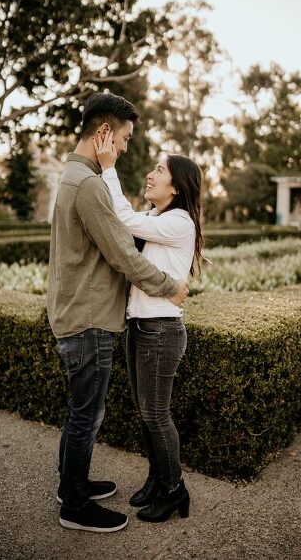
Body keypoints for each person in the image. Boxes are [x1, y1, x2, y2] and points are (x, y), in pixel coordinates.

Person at [46, 92, 189, 533]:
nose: (126, 148)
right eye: (125, 138)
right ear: (105, 132)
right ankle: (74, 504)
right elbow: (123, 252)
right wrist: (170, 287)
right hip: (88, 319)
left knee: (81, 410)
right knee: (86, 415)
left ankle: (73, 485)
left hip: (80, 313)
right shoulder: (89, 184)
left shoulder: (74, 176)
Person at [95, 132, 203, 523]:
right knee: (146, 414)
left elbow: (124, 218)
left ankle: (175, 491)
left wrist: (109, 168)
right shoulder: (158, 218)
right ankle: (158, 480)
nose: (151, 174)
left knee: (156, 414)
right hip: (141, 325)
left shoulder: (179, 221)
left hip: (161, 330)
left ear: (176, 187)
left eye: (159, 170)